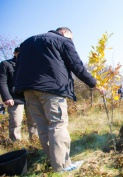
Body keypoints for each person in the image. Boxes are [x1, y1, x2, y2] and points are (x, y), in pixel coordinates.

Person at [15, 27, 103, 172]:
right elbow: (77, 66)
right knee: (57, 125)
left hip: (28, 90)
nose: (71, 41)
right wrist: (94, 83)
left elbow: (18, 68)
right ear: (64, 33)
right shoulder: (62, 41)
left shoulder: (27, 43)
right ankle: (62, 166)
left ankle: (53, 162)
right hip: (52, 90)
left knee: (42, 127)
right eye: (71, 37)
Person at [0, 47, 37, 141]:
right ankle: (16, 143)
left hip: (30, 96)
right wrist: (7, 97)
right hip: (14, 98)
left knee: (34, 120)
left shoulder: (29, 64)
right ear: (15, 53)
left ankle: (35, 141)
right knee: (15, 122)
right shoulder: (5, 64)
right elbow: (2, 82)